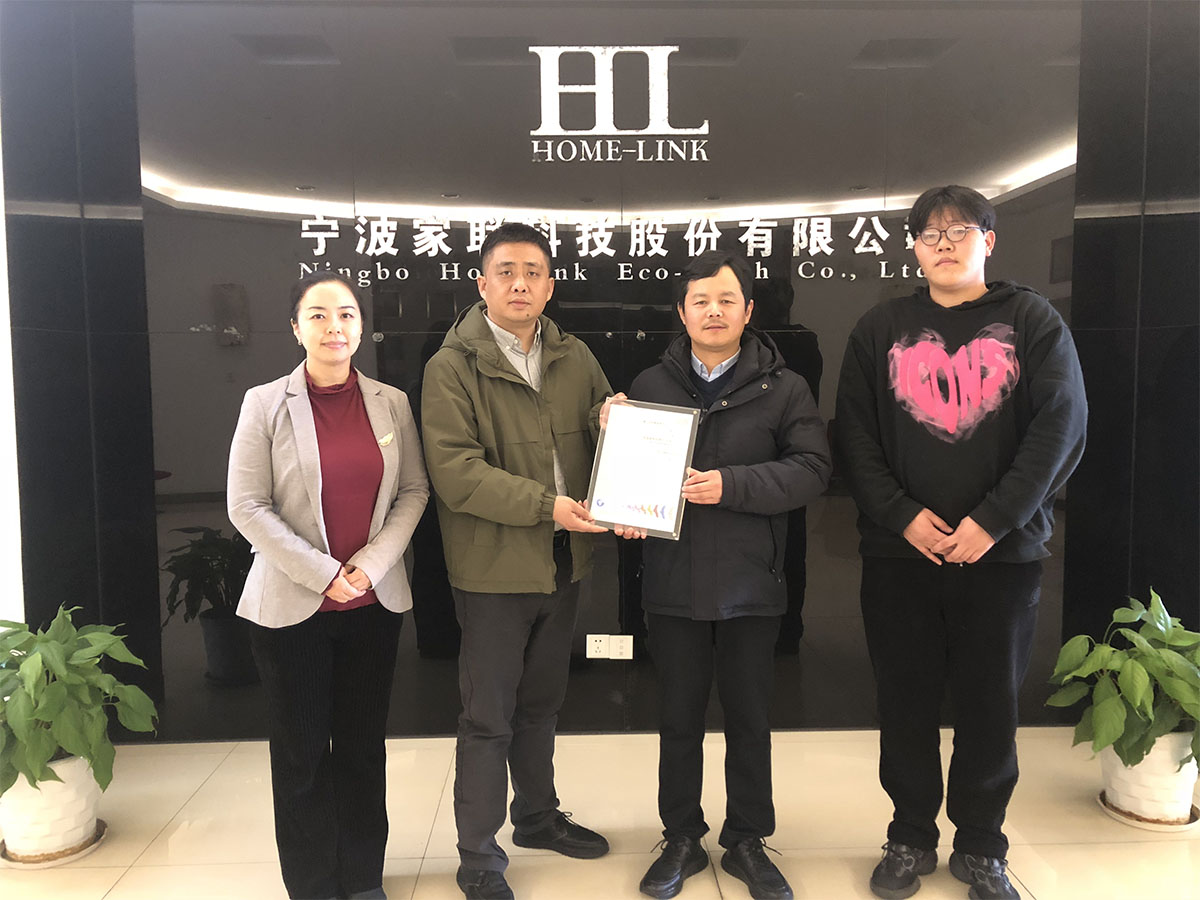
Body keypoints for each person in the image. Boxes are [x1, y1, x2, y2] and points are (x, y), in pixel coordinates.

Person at [835, 186, 1087, 900]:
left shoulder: (1031, 320)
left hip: (1002, 556)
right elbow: (854, 433)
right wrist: (901, 515)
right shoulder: (880, 327)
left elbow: (1060, 426)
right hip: (900, 554)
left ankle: (981, 845)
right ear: (914, 247)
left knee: (990, 707)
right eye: (929, 234)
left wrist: (994, 520)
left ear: (989, 240)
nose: (943, 244)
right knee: (904, 702)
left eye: (960, 230)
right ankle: (910, 835)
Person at [420, 222, 626, 900]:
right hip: (493, 572)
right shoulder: (453, 366)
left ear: (550, 285)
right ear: (481, 284)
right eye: (505, 271)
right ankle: (478, 856)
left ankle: (537, 818)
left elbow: (605, 435)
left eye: (532, 272)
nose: (519, 284)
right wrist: (549, 506)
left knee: (543, 705)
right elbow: (457, 473)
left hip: (564, 563)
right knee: (488, 718)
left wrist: (614, 424)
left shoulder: (574, 355)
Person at [628, 251, 831, 900]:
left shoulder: (784, 387)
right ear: (682, 313)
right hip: (673, 581)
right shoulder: (649, 385)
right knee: (677, 718)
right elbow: (629, 474)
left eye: (726, 300)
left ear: (748, 311)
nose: (713, 311)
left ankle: (746, 839)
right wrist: (624, 500)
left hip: (751, 583)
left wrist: (731, 485)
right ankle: (681, 837)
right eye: (700, 301)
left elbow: (812, 470)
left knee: (749, 719)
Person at [227, 271, 429, 900]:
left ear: (361, 327)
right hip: (292, 611)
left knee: (363, 751)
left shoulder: (392, 402)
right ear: (296, 328)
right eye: (317, 315)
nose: (333, 326)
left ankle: (363, 878)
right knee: (302, 756)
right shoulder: (265, 403)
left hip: (373, 606)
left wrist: (370, 565)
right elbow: (246, 505)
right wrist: (323, 574)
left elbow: (413, 491)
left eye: (345, 314)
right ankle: (314, 886)